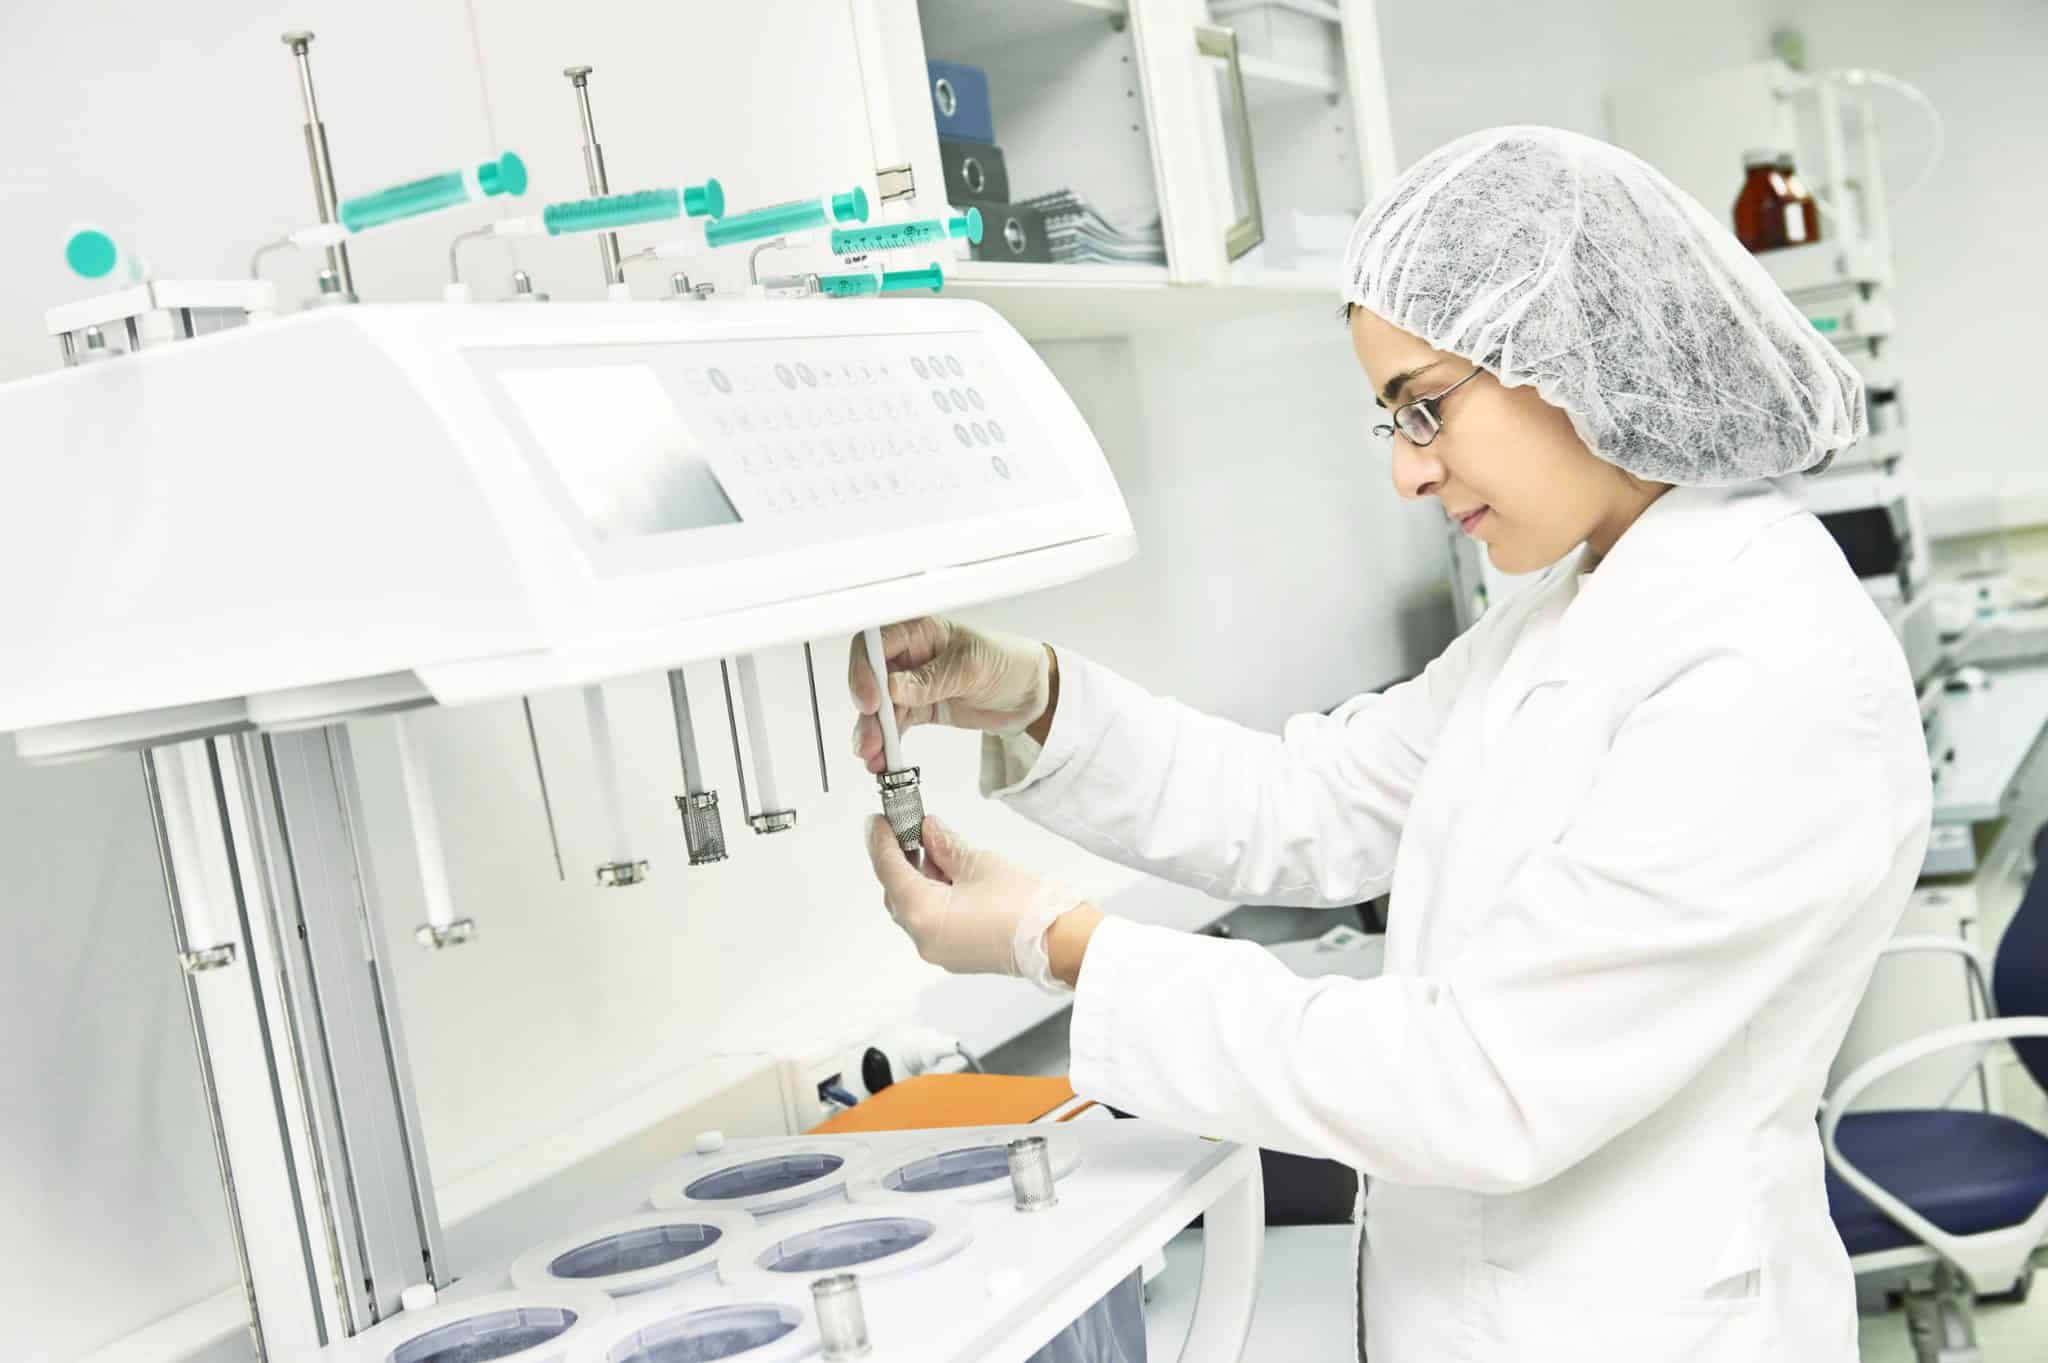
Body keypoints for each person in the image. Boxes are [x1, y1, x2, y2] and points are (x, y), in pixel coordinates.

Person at [849, 127, 1931, 1363]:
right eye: (1393, 423)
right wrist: (1030, 694)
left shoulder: (1763, 663)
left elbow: (1476, 1081)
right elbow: (1301, 801)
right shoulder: (1578, 603)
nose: (1410, 474)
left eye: (1425, 408)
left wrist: (1063, 944)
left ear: (1568, 345)